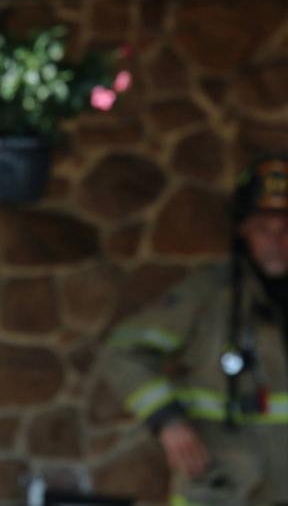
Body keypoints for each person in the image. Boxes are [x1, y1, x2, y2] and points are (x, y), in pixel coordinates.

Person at [102, 154, 288, 506]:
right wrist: (168, 421)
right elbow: (124, 351)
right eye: (264, 228)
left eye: (286, 230)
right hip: (223, 489)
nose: (276, 241)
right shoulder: (208, 295)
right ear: (243, 231)